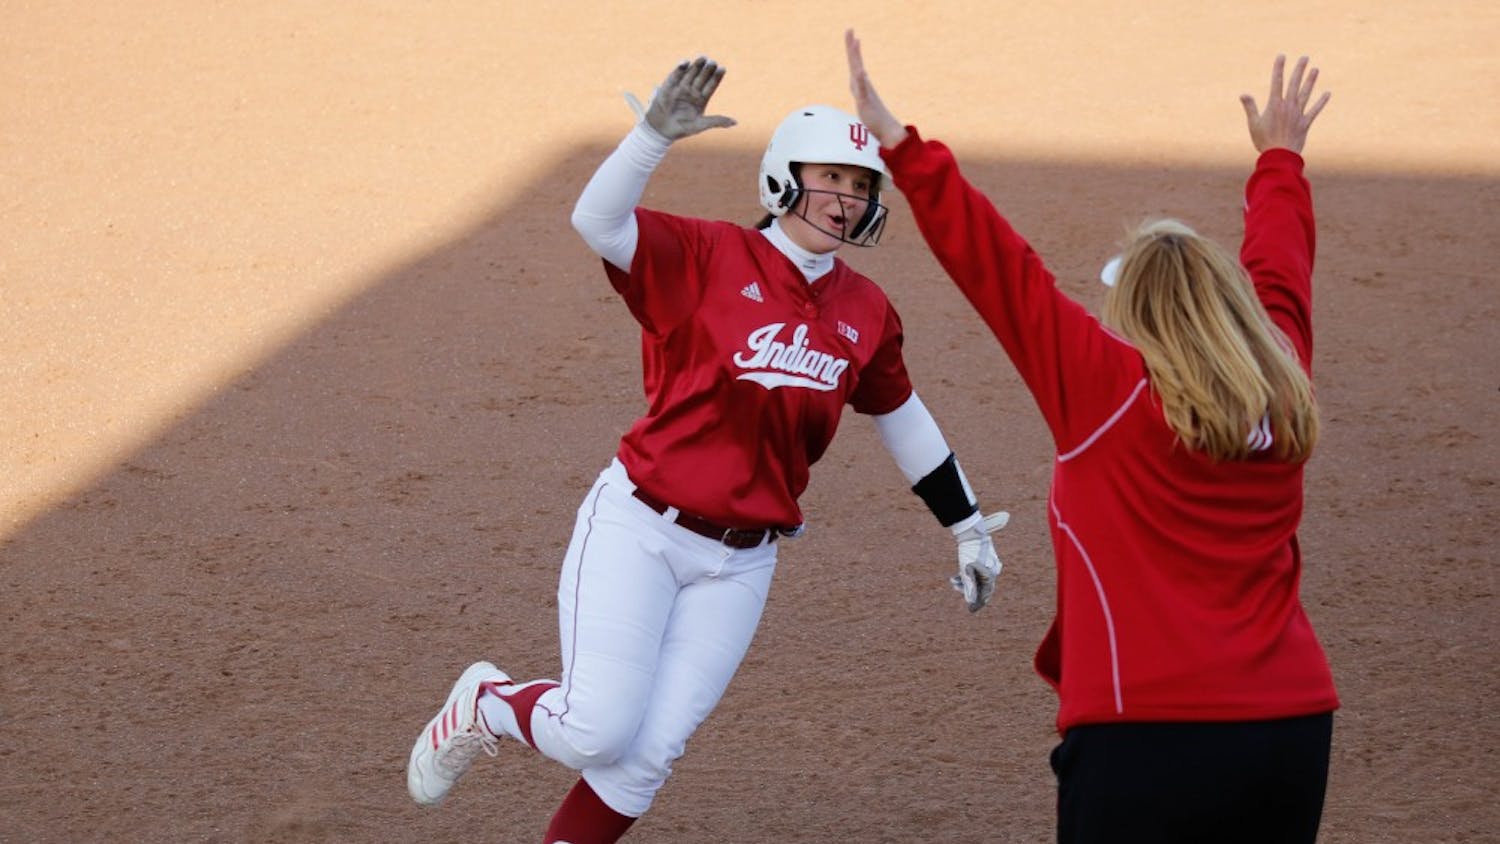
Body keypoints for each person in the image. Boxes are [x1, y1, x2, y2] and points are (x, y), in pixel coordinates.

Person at [405, 54, 1011, 844]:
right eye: (832, 177)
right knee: (596, 731)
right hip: (642, 527)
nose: (849, 198)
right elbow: (597, 222)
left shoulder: (866, 308)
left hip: (744, 560)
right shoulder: (706, 256)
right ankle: (487, 703)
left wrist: (963, 525)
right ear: (782, 179)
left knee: (646, 756)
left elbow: (900, 415)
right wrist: (651, 139)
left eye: (862, 186)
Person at [845, 30, 1339, 844]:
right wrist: (1279, 158)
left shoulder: (1106, 391)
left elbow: (1003, 270)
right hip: (1291, 728)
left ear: (1135, 316)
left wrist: (902, 149)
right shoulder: (1285, 380)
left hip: (1142, 734)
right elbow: (1283, 268)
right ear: (1235, 306)